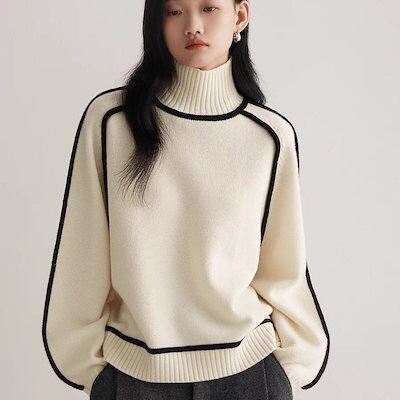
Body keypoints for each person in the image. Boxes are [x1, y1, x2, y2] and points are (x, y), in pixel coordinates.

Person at [41, 0, 330, 399]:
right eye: (174, 12)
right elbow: (81, 256)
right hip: (134, 377)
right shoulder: (111, 120)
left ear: (239, 16)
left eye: (209, 8)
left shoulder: (270, 136)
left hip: (250, 374)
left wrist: (290, 369)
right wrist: (94, 372)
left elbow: (284, 269)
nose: (193, 25)